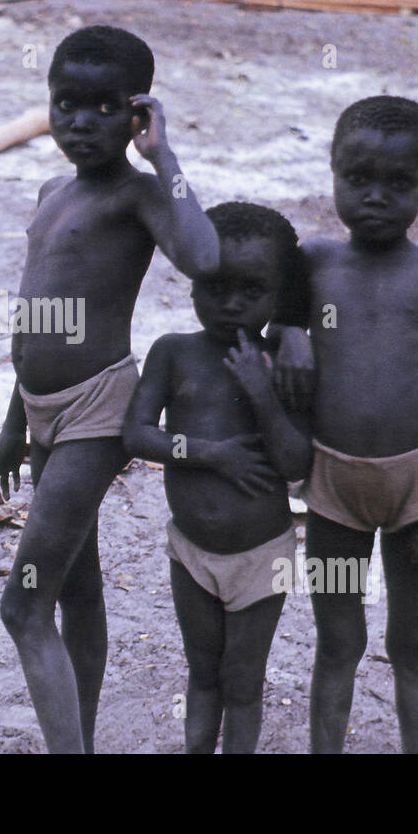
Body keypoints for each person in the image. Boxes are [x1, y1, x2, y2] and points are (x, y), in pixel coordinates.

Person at [0, 25, 220, 754]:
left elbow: (204, 256)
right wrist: (12, 425)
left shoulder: (140, 195)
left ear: (137, 114)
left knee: (22, 606)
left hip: (97, 408)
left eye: (104, 109)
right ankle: (77, 735)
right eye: (65, 105)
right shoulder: (54, 190)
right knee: (74, 593)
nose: (80, 123)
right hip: (43, 411)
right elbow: (33, 323)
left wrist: (165, 154)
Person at [278, 96, 418, 754]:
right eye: (357, 179)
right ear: (331, 171)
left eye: (399, 184)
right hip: (332, 487)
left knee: (413, 648)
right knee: (337, 643)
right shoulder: (310, 264)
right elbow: (261, 310)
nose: (375, 198)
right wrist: (288, 332)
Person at [123, 201, 310, 753]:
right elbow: (136, 433)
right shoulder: (174, 353)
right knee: (202, 673)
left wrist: (263, 395)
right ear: (191, 283)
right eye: (216, 287)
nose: (230, 304)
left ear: (279, 297)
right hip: (192, 551)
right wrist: (209, 453)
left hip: (262, 555)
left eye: (252, 292)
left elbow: (296, 465)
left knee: (244, 683)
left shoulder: (287, 362)